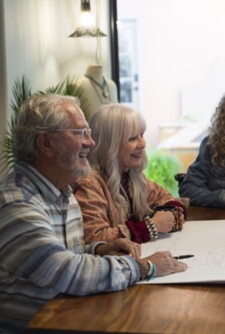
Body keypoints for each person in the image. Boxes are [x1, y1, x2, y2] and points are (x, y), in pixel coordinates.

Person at [0, 94, 187, 334]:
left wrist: (97, 248)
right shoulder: (18, 205)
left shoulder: (61, 192)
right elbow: (66, 272)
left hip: (59, 327)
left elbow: (59, 255)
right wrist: (145, 267)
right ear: (46, 143)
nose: (91, 142)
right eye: (80, 133)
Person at [73, 104, 186, 245]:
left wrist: (169, 214)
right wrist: (151, 226)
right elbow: (95, 239)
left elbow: (166, 198)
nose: (143, 144)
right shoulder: (89, 184)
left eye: (142, 135)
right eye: (132, 138)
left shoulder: (131, 176)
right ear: (109, 145)